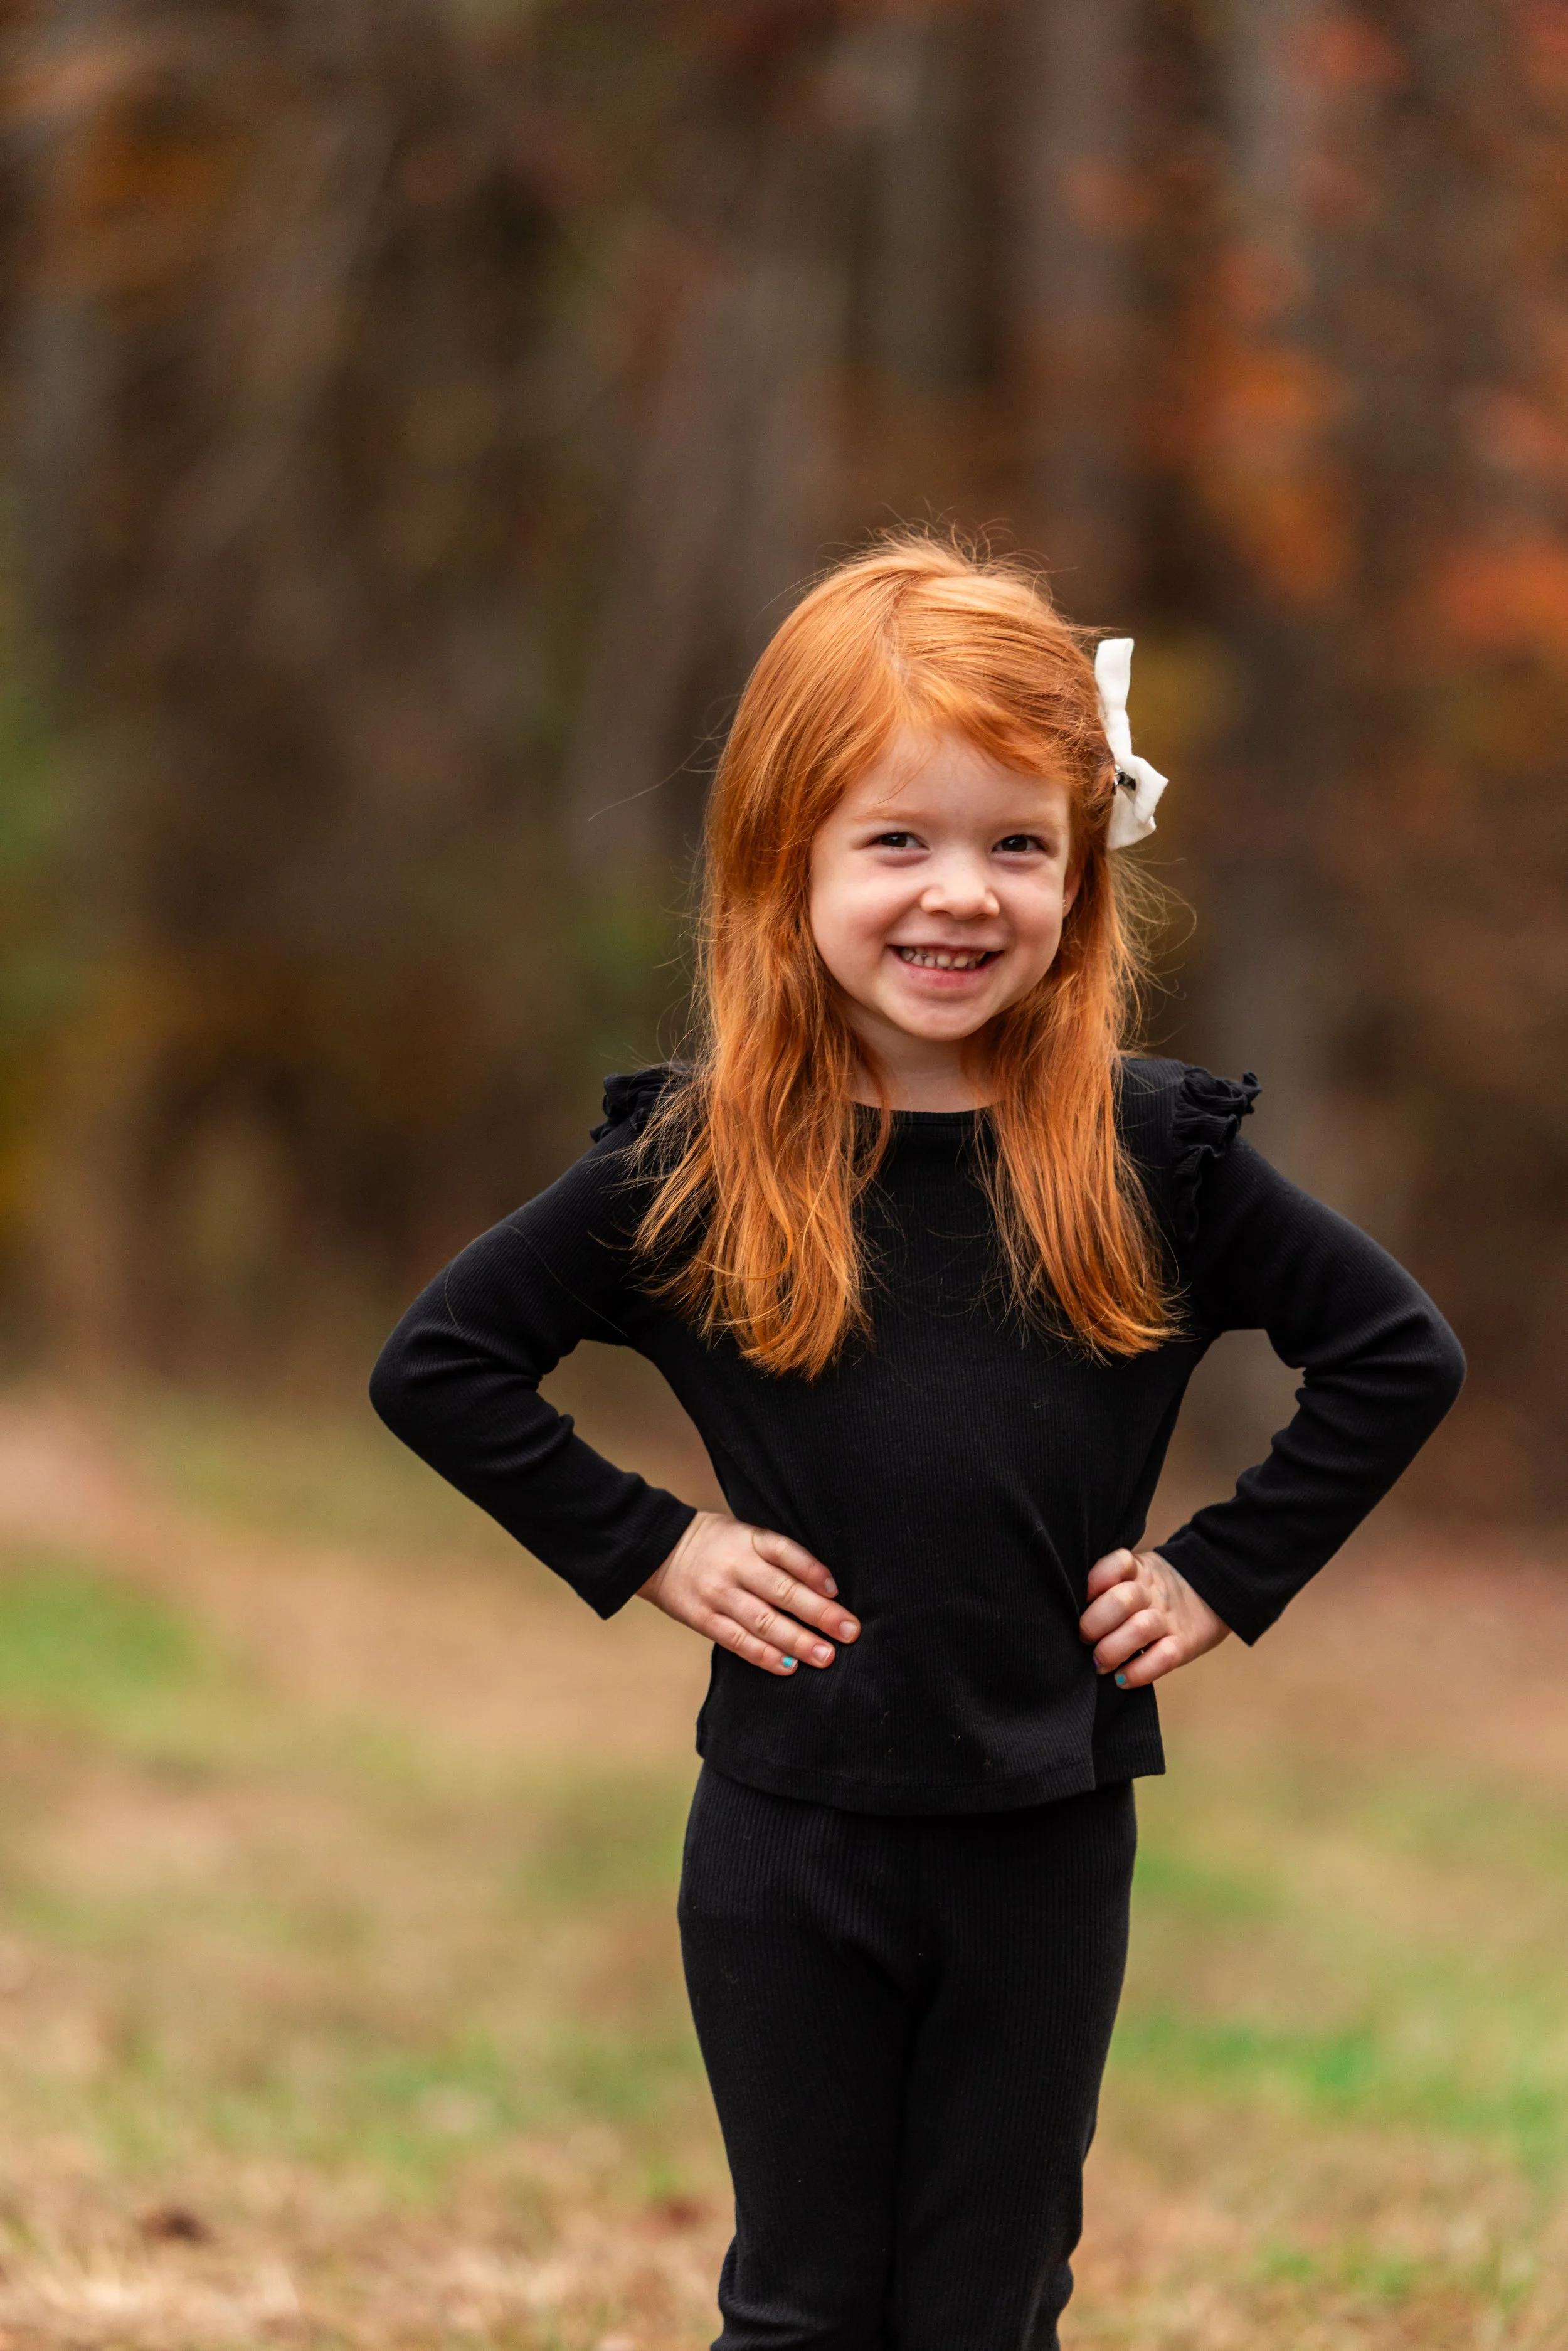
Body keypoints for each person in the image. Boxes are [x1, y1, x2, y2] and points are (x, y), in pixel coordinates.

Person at [369, 538, 1464, 2351]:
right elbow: (444, 1363)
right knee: (802, 2304)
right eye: (897, 840)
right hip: (786, 1830)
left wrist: (1218, 1569)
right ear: (780, 854)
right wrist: (657, 1544)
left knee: (985, 2304)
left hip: (1046, 1832)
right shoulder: (703, 1159)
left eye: (1015, 843)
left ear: (1078, 865)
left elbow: (1392, 1351)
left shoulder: (1147, 1155)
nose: (959, 894)